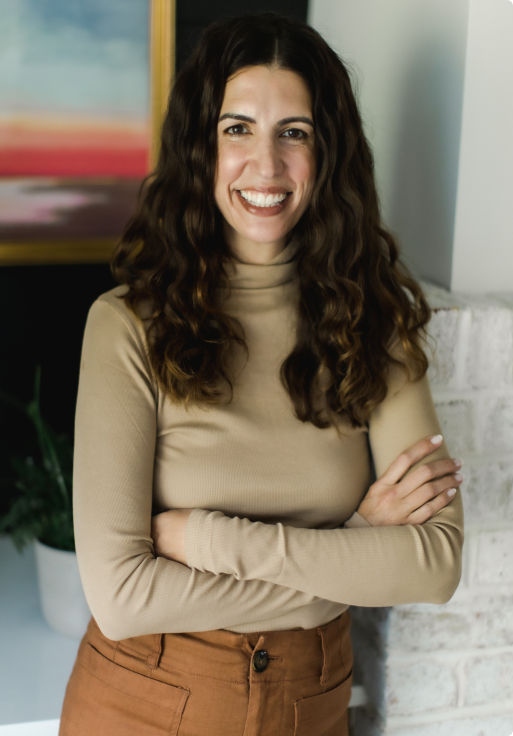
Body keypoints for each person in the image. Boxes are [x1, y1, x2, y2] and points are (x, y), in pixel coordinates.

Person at [59, 12, 464, 736]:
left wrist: (210, 541)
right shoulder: (126, 327)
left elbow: (434, 564)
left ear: (327, 151)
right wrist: (349, 552)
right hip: (145, 703)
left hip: (311, 705)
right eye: (238, 128)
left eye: (294, 133)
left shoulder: (374, 322)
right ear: (201, 146)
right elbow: (121, 597)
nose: (267, 164)